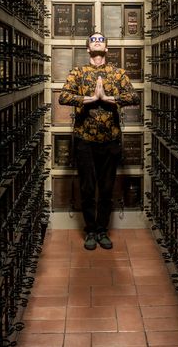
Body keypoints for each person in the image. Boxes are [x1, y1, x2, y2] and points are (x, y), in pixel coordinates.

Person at [59, 32, 140, 250]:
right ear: (88, 49)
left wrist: (108, 99)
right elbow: (63, 96)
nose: (97, 42)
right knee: (87, 188)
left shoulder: (117, 73)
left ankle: (103, 230)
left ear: (106, 49)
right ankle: (90, 230)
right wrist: (91, 99)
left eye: (100, 40)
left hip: (110, 140)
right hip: (84, 140)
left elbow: (134, 97)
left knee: (106, 188)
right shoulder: (79, 73)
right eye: (93, 40)